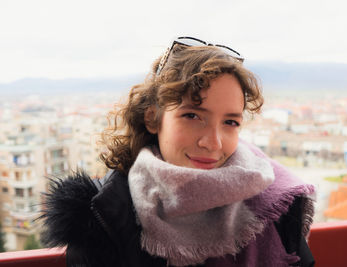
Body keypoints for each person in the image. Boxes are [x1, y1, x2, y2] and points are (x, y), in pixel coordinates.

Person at [40, 37, 315, 267]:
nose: (213, 143)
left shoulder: (276, 199)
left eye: (230, 122)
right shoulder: (104, 216)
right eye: (193, 116)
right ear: (152, 118)